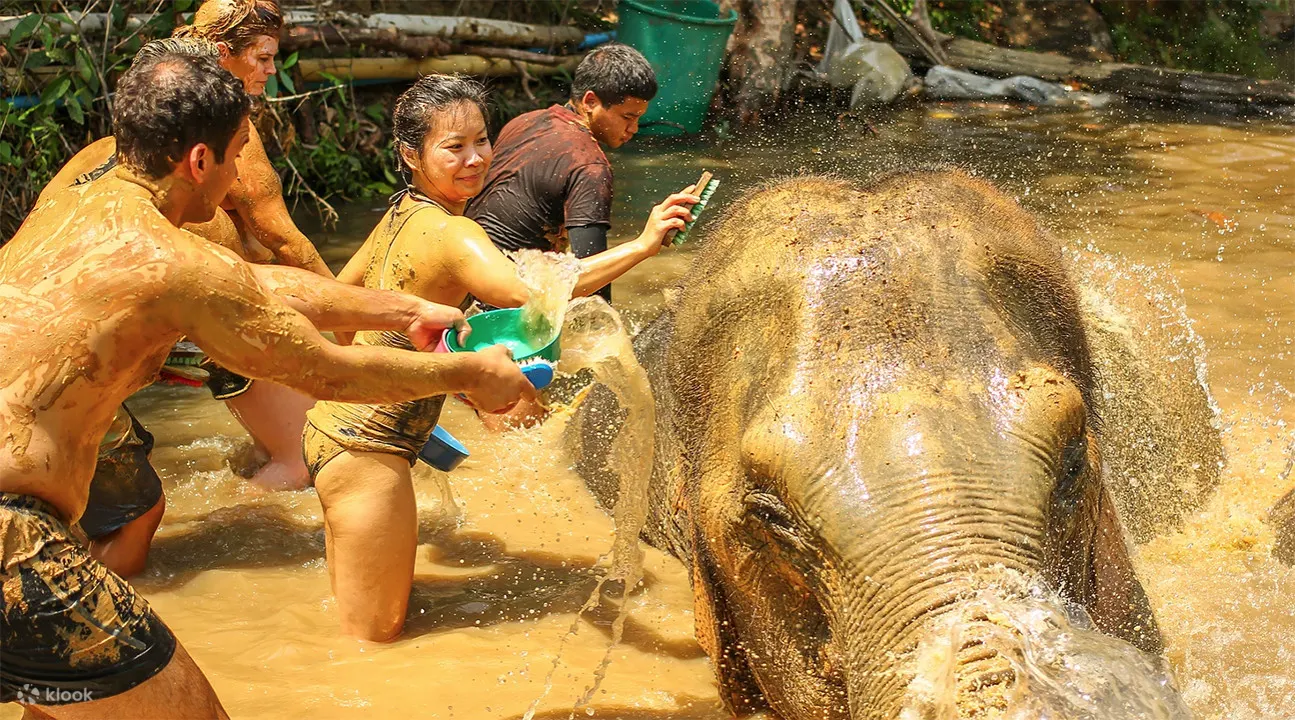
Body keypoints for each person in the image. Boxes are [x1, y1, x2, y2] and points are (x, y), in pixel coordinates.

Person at [0, 54, 532, 718]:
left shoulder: (80, 194)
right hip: (13, 543)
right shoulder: (179, 263)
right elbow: (328, 374)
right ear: (199, 161)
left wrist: (402, 311)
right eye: (236, 161)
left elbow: (256, 286)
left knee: (53, 708)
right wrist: (471, 372)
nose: (237, 185)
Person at [306, 74, 697, 642]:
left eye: (482, 141)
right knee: (374, 645)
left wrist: (390, 376)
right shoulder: (454, 233)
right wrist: (643, 244)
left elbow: (335, 305)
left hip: (331, 433)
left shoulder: (400, 214)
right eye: (453, 147)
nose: (475, 159)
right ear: (410, 155)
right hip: (370, 454)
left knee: (350, 626)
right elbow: (538, 292)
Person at [41, 0, 325, 491]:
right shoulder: (224, 125)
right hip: (190, 306)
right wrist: (349, 327)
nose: (270, 70)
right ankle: (235, 516)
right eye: (260, 57)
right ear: (221, 54)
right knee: (303, 459)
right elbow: (283, 239)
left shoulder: (140, 125)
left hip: (90, 314)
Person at [466, 43, 660, 304]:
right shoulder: (590, 165)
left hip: (464, 280)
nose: (634, 128)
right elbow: (591, 285)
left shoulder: (524, 121)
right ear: (590, 101)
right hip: (502, 304)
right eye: (627, 117)